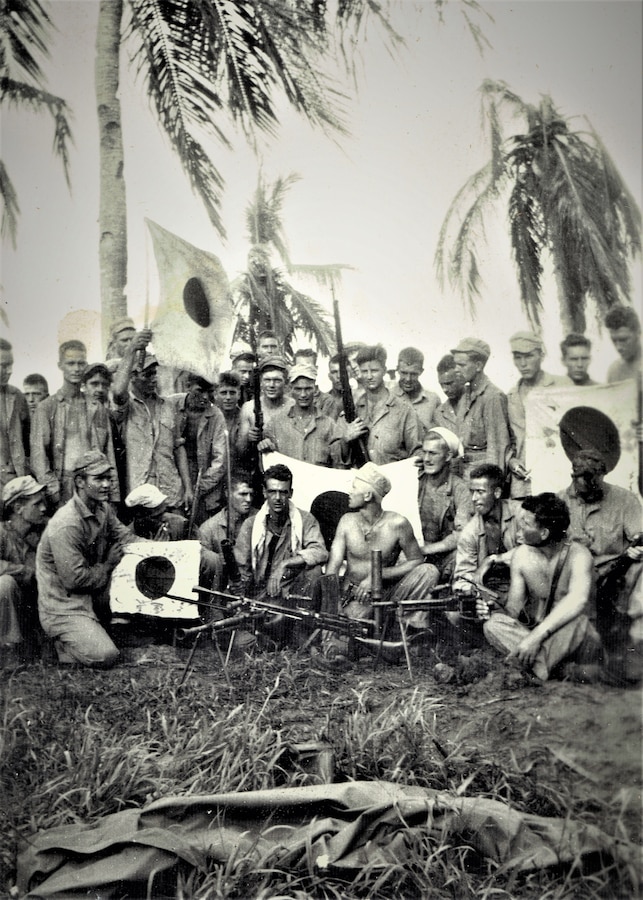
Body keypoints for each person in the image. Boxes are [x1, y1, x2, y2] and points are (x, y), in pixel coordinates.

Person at [321, 462, 437, 665]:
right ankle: (373, 647)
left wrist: (378, 575)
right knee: (341, 643)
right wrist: (334, 603)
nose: (350, 492)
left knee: (429, 571)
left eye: (355, 487)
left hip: (387, 595)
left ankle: (400, 636)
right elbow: (333, 566)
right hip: (355, 598)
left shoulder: (397, 524)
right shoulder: (347, 521)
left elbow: (417, 561)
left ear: (367, 496)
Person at [479, 493, 601, 683]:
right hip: (540, 639)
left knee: (579, 622)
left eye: (526, 525)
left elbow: (578, 600)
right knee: (493, 625)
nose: (519, 529)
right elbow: (513, 612)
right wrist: (492, 607)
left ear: (544, 533)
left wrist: (534, 638)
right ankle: (555, 670)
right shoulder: (522, 555)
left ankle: (535, 668)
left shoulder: (579, 555)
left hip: (576, 638)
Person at [36, 451, 134, 667]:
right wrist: (107, 565)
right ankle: (60, 644)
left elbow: (125, 536)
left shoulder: (102, 508)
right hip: (64, 605)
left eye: (109, 478)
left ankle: (98, 630)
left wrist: (160, 548)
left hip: (92, 593)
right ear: (80, 482)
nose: (107, 484)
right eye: (99, 479)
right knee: (107, 656)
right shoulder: (67, 523)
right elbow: (74, 580)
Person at [558, 449, 643, 682]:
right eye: (577, 478)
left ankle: (628, 655)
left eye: (590, 479)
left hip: (617, 569)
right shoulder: (561, 500)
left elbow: (639, 535)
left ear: (601, 476)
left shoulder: (624, 500)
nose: (581, 484)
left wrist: (635, 550)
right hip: (577, 572)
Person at [233, 464, 327, 645]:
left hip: (291, 594)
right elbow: (242, 568)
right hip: (260, 595)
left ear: (290, 493)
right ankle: (268, 636)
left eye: (283, 492)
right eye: (273, 491)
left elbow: (320, 551)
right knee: (242, 643)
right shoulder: (252, 525)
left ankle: (298, 632)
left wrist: (285, 564)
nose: (277, 498)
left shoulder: (305, 520)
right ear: (264, 492)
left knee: (314, 572)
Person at [111, 331, 193, 514]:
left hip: (171, 491)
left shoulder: (168, 406)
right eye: (147, 375)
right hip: (141, 494)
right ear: (132, 377)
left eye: (154, 373)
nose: (153, 379)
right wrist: (132, 348)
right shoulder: (127, 407)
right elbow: (117, 392)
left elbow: (178, 448)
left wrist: (187, 488)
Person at [31, 340, 118, 507]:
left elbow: (109, 453)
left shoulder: (96, 407)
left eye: (81, 363)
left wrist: (113, 495)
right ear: (60, 365)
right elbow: (38, 457)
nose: (77, 369)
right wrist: (53, 491)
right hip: (63, 485)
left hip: (95, 483)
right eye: (71, 363)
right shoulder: (47, 407)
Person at [338, 344, 422, 465]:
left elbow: (417, 453)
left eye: (374, 371)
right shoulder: (352, 411)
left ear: (384, 370)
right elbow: (337, 459)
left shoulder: (404, 411)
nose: (369, 376)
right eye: (364, 371)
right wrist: (345, 440)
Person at [506, 331, 566, 499]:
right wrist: (511, 462)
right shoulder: (512, 396)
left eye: (529, 356)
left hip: (557, 478)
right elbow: (509, 440)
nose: (523, 364)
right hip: (523, 481)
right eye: (518, 357)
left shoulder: (562, 386)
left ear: (541, 354)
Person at [453, 463, 522, 597]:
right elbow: (463, 575)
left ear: (497, 493)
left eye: (480, 492)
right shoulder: (470, 532)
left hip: (524, 584)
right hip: (490, 590)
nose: (474, 499)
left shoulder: (520, 513)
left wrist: (494, 559)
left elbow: (532, 550)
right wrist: (468, 588)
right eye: (472, 492)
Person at [0, 476, 48, 665]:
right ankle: (7, 650)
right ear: (18, 508)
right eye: (37, 504)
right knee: (5, 584)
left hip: (31, 612)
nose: (44, 508)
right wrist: (25, 572)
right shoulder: (2, 533)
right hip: (5, 614)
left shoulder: (44, 530)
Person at [417, 428, 473, 583]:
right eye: (424, 452)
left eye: (433, 453)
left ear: (448, 456)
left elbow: (462, 534)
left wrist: (425, 550)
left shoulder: (460, 489)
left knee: (461, 555)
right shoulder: (414, 483)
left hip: (442, 556)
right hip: (413, 556)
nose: (426, 459)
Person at [451, 338, 510, 482]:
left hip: (481, 479)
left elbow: (497, 448)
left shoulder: (492, 397)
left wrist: (490, 485)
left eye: (462, 365)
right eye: (456, 364)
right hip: (463, 474)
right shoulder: (465, 394)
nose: (456, 369)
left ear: (478, 365)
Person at [260, 364, 342, 467]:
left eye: (308, 389)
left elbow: (338, 464)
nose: (303, 394)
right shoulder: (276, 424)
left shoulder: (329, 425)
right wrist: (265, 445)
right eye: (298, 389)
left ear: (315, 390)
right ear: (291, 389)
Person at [174, 374, 226, 525]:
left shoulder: (216, 415)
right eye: (200, 391)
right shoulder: (171, 404)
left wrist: (198, 489)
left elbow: (220, 460)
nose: (205, 397)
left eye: (210, 392)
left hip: (204, 480)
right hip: (173, 476)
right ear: (187, 386)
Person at [238, 356, 293, 451]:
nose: (271, 385)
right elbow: (240, 449)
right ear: (261, 382)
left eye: (277, 380)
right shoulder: (248, 408)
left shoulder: (293, 406)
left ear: (285, 383)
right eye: (267, 380)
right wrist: (248, 438)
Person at [0, 338, 30, 495]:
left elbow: (28, 440)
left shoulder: (17, 396)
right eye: (4, 366)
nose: (10, 371)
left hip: (16, 480)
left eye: (10, 365)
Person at [391, 347, 440, 436]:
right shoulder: (388, 396)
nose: (408, 379)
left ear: (421, 371)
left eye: (413, 374)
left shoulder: (433, 400)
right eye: (404, 373)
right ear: (397, 369)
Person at [214, 371, 251, 474]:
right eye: (223, 393)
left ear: (239, 394)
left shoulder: (245, 417)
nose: (228, 397)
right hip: (215, 475)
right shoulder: (210, 419)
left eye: (232, 392)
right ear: (215, 394)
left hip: (239, 474)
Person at [605, 305, 641, 383]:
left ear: (638, 333)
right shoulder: (614, 371)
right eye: (614, 341)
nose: (618, 347)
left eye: (623, 340)